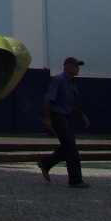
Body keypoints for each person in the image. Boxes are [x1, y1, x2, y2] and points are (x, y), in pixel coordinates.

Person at [39, 56, 91, 188]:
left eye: (78, 66)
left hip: (67, 117)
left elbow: (74, 104)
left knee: (68, 146)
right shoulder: (59, 80)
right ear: (67, 66)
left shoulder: (71, 83)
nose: (77, 68)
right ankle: (75, 180)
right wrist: (48, 119)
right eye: (75, 65)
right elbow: (48, 100)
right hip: (58, 117)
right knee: (71, 148)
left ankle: (46, 163)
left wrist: (83, 116)